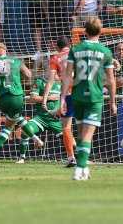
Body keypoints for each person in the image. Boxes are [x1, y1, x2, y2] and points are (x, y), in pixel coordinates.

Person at [61, 17, 117, 180]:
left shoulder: (76, 49)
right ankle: (79, 170)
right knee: (87, 136)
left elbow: (67, 76)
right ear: (100, 31)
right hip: (94, 98)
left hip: (77, 96)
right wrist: (113, 101)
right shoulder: (105, 52)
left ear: (85, 31)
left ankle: (84, 168)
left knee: (81, 134)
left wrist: (63, 98)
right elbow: (111, 80)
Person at [0, 43, 33, 163]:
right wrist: (19, 78)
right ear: (5, 50)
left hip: (2, 99)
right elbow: (29, 75)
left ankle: (35, 139)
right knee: (9, 126)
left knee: (15, 119)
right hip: (16, 96)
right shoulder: (16, 60)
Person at [42, 36, 76, 167]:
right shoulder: (77, 53)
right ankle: (84, 156)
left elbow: (50, 81)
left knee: (66, 127)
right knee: (85, 125)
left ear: (57, 47)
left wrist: (44, 100)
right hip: (84, 93)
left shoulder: (55, 58)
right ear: (70, 44)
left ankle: (71, 158)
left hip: (68, 95)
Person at [16, 76, 63, 164]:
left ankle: (78, 158)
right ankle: (21, 158)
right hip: (41, 118)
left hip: (55, 120)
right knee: (25, 131)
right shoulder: (39, 81)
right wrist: (50, 98)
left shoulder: (62, 81)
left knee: (70, 140)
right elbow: (32, 98)